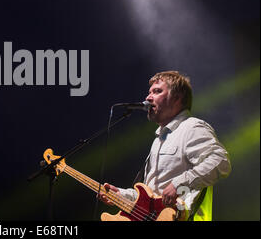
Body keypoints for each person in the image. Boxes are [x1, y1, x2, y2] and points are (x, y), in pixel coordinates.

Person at [99, 71, 231, 220]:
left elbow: (220, 162)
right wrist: (122, 195)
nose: (148, 98)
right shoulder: (160, 138)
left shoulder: (191, 128)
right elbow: (151, 196)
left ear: (177, 98)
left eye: (157, 91)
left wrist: (178, 184)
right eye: (149, 92)